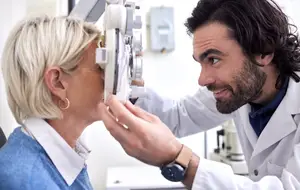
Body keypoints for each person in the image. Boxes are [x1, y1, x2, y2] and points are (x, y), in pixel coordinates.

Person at [99, 0, 300, 189]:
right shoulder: (241, 91)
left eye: (213, 60)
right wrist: (130, 87)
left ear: (263, 52)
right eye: (200, 63)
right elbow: (178, 116)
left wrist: (180, 160)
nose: (203, 80)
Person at [0, 15, 105, 190]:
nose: (107, 78)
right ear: (57, 82)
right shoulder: (27, 181)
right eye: (99, 68)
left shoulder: (63, 152)